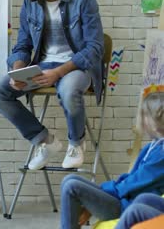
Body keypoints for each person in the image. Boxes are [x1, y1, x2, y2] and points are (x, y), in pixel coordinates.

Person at [0, 0, 104, 170]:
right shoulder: (29, 2)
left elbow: (94, 48)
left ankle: (76, 143)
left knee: (68, 91)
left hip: (75, 66)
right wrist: (18, 70)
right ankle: (44, 141)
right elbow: (23, 45)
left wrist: (58, 72)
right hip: (42, 66)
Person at [60, 85, 164, 229]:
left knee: (72, 187)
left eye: (145, 116)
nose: (142, 120)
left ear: (154, 121)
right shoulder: (152, 146)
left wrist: (102, 193)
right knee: (69, 179)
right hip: (124, 198)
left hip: (124, 204)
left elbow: (132, 184)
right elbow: (129, 178)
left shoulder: (162, 155)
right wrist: (101, 192)